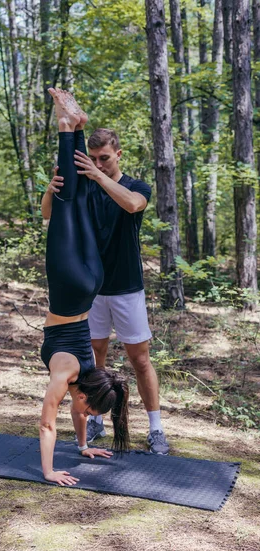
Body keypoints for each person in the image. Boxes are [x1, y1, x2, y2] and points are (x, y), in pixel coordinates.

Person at [42, 125, 169, 456]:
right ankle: (95, 418)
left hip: (127, 288)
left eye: (104, 158)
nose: (97, 163)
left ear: (118, 155)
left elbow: (132, 205)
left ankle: (156, 428)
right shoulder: (85, 185)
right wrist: (50, 189)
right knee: (93, 360)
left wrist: (97, 177)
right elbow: (49, 215)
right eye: (93, 159)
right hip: (91, 293)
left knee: (140, 359)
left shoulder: (134, 185)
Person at [39, 88, 130, 487]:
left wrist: (81, 448)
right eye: (92, 412)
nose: (85, 415)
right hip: (70, 285)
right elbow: (46, 424)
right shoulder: (66, 374)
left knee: (69, 199)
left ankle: (75, 125)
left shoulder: (90, 373)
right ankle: (65, 126)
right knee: (66, 204)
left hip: (91, 284)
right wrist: (48, 470)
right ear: (87, 396)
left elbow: (77, 412)